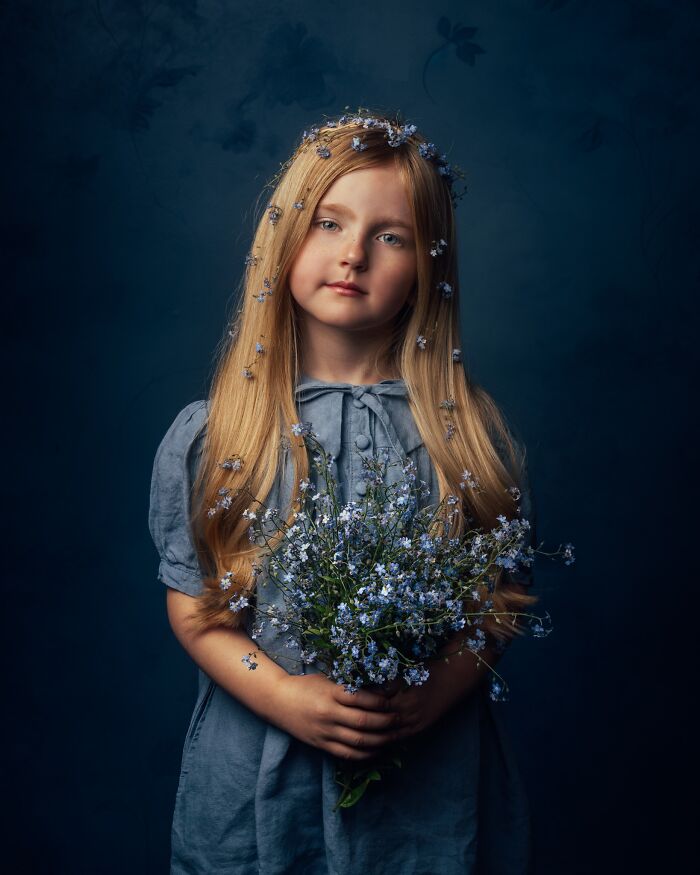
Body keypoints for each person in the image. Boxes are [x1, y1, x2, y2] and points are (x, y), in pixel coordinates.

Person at [148, 108, 540, 874]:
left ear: (428, 263)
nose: (352, 253)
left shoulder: (467, 436)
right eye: (328, 222)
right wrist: (289, 699)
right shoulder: (218, 433)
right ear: (284, 237)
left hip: (428, 800)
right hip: (260, 789)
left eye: (389, 235)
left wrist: (431, 698)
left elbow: (504, 598)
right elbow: (194, 606)